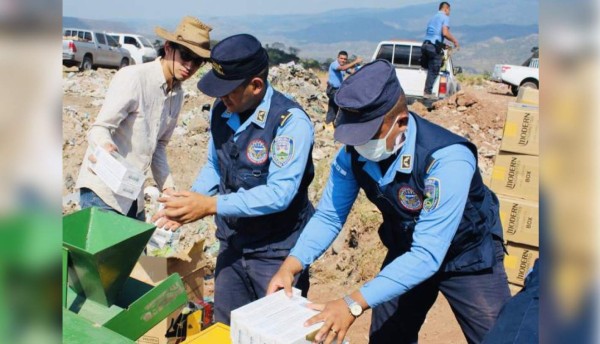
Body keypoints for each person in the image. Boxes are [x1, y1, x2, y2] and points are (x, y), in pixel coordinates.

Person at [267, 60, 510, 344]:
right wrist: (291, 265)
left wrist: (352, 303)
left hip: (466, 255)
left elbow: (428, 255)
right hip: (407, 250)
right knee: (387, 337)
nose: (360, 145)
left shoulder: (447, 159)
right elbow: (329, 217)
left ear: (401, 122)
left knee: (500, 337)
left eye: (369, 135)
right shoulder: (353, 156)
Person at [152, 34, 315, 325]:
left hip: (275, 251)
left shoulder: (289, 124)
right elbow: (216, 166)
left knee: (274, 330)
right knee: (229, 327)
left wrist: (210, 205)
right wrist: (189, 204)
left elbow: (279, 194)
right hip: (232, 244)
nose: (221, 98)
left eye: (228, 91)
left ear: (256, 86)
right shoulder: (222, 111)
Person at [75, 16, 211, 220]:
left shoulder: (178, 94)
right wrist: (105, 144)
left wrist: (168, 189)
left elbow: (159, 146)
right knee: (107, 252)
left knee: (136, 251)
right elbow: (99, 128)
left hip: (131, 194)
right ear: (168, 48)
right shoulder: (133, 77)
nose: (190, 66)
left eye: (198, 61)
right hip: (103, 193)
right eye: (185, 56)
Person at [421, 2, 459, 98]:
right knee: (435, 68)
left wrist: (443, 45)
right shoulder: (444, 17)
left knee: (429, 69)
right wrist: (455, 41)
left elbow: (433, 36)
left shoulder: (433, 18)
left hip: (425, 45)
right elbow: (445, 33)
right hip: (432, 47)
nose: (449, 13)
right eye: (449, 10)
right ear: (446, 9)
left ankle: (426, 90)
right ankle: (427, 92)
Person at [325, 51, 362, 126]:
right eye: (341, 58)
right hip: (332, 90)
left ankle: (330, 123)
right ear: (338, 58)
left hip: (337, 90)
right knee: (342, 105)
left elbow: (351, 71)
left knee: (334, 107)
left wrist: (359, 67)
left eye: (345, 59)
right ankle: (337, 124)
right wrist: (355, 61)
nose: (343, 60)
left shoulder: (344, 66)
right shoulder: (334, 64)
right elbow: (342, 68)